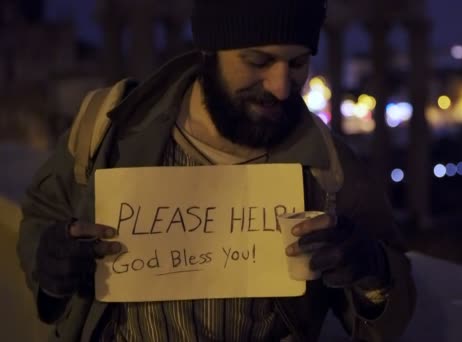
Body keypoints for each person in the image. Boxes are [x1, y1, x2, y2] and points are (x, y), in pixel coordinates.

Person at [17, 0, 416, 341]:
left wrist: (373, 273)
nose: (280, 86)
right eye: (259, 60)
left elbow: (391, 300)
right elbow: (43, 215)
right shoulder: (106, 124)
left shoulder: (331, 166)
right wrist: (49, 260)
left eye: (297, 63)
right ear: (209, 50)